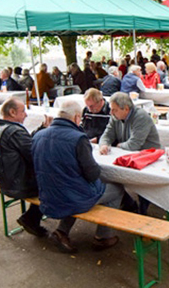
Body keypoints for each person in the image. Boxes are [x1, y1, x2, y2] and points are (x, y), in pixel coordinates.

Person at [34, 100, 122, 253]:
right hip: (70, 197)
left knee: (72, 187)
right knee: (116, 189)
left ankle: (62, 231)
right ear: (76, 118)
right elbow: (92, 174)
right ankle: (103, 236)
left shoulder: (38, 135)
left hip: (46, 194)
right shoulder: (78, 138)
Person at [0, 98, 51, 237]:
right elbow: (35, 155)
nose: (26, 115)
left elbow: (26, 143)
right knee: (53, 181)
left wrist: (41, 129)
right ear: (12, 112)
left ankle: (32, 216)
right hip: (17, 184)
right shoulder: (14, 131)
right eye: (23, 111)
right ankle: (31, 218)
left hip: (5, 180)